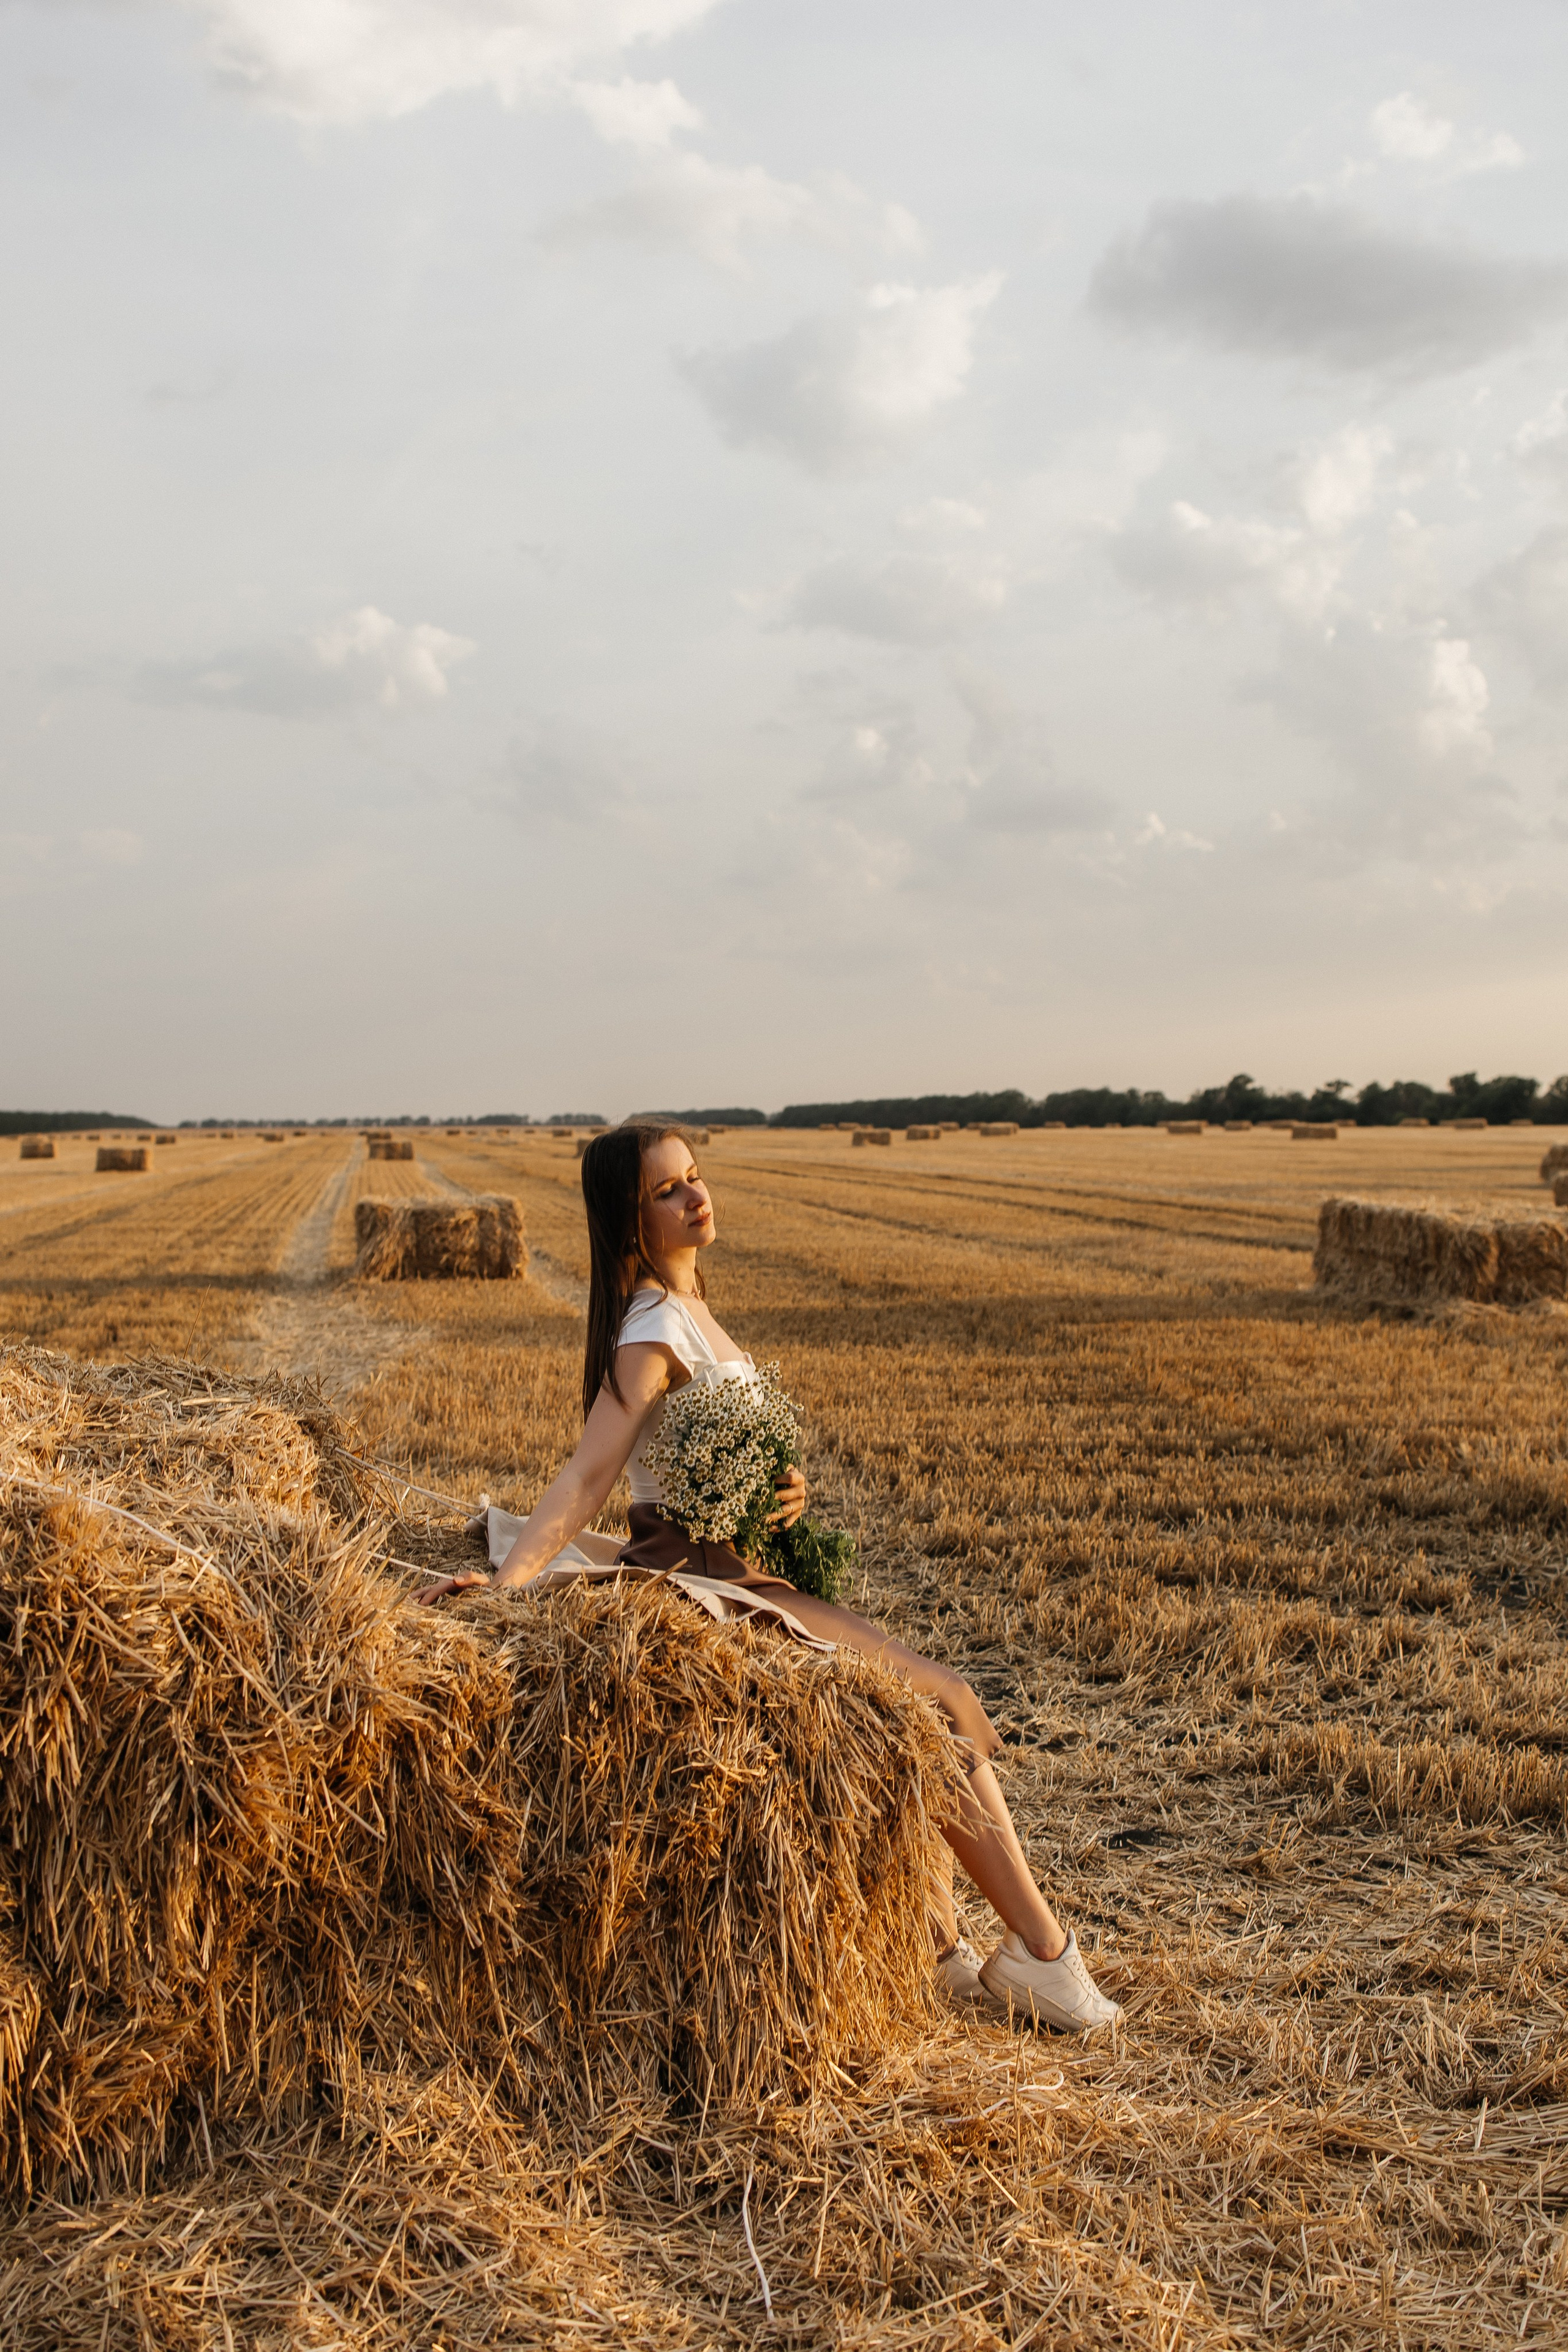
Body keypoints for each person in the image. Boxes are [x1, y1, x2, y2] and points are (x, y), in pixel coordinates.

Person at [415, 1120, 1121, 2035]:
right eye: (666, 1191)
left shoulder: (693, 1305)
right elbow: (590, 1474)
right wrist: (509, 1591)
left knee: (908, 1710)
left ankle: (943, 1945)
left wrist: (776, 1490)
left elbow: (707, 1450)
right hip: (699, 1580)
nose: (694, 1196)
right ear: (632, 1224)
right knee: (936, 1704)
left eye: (695, 1177)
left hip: (741, 1565)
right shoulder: (651, 1326)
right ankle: (1041, 1955)